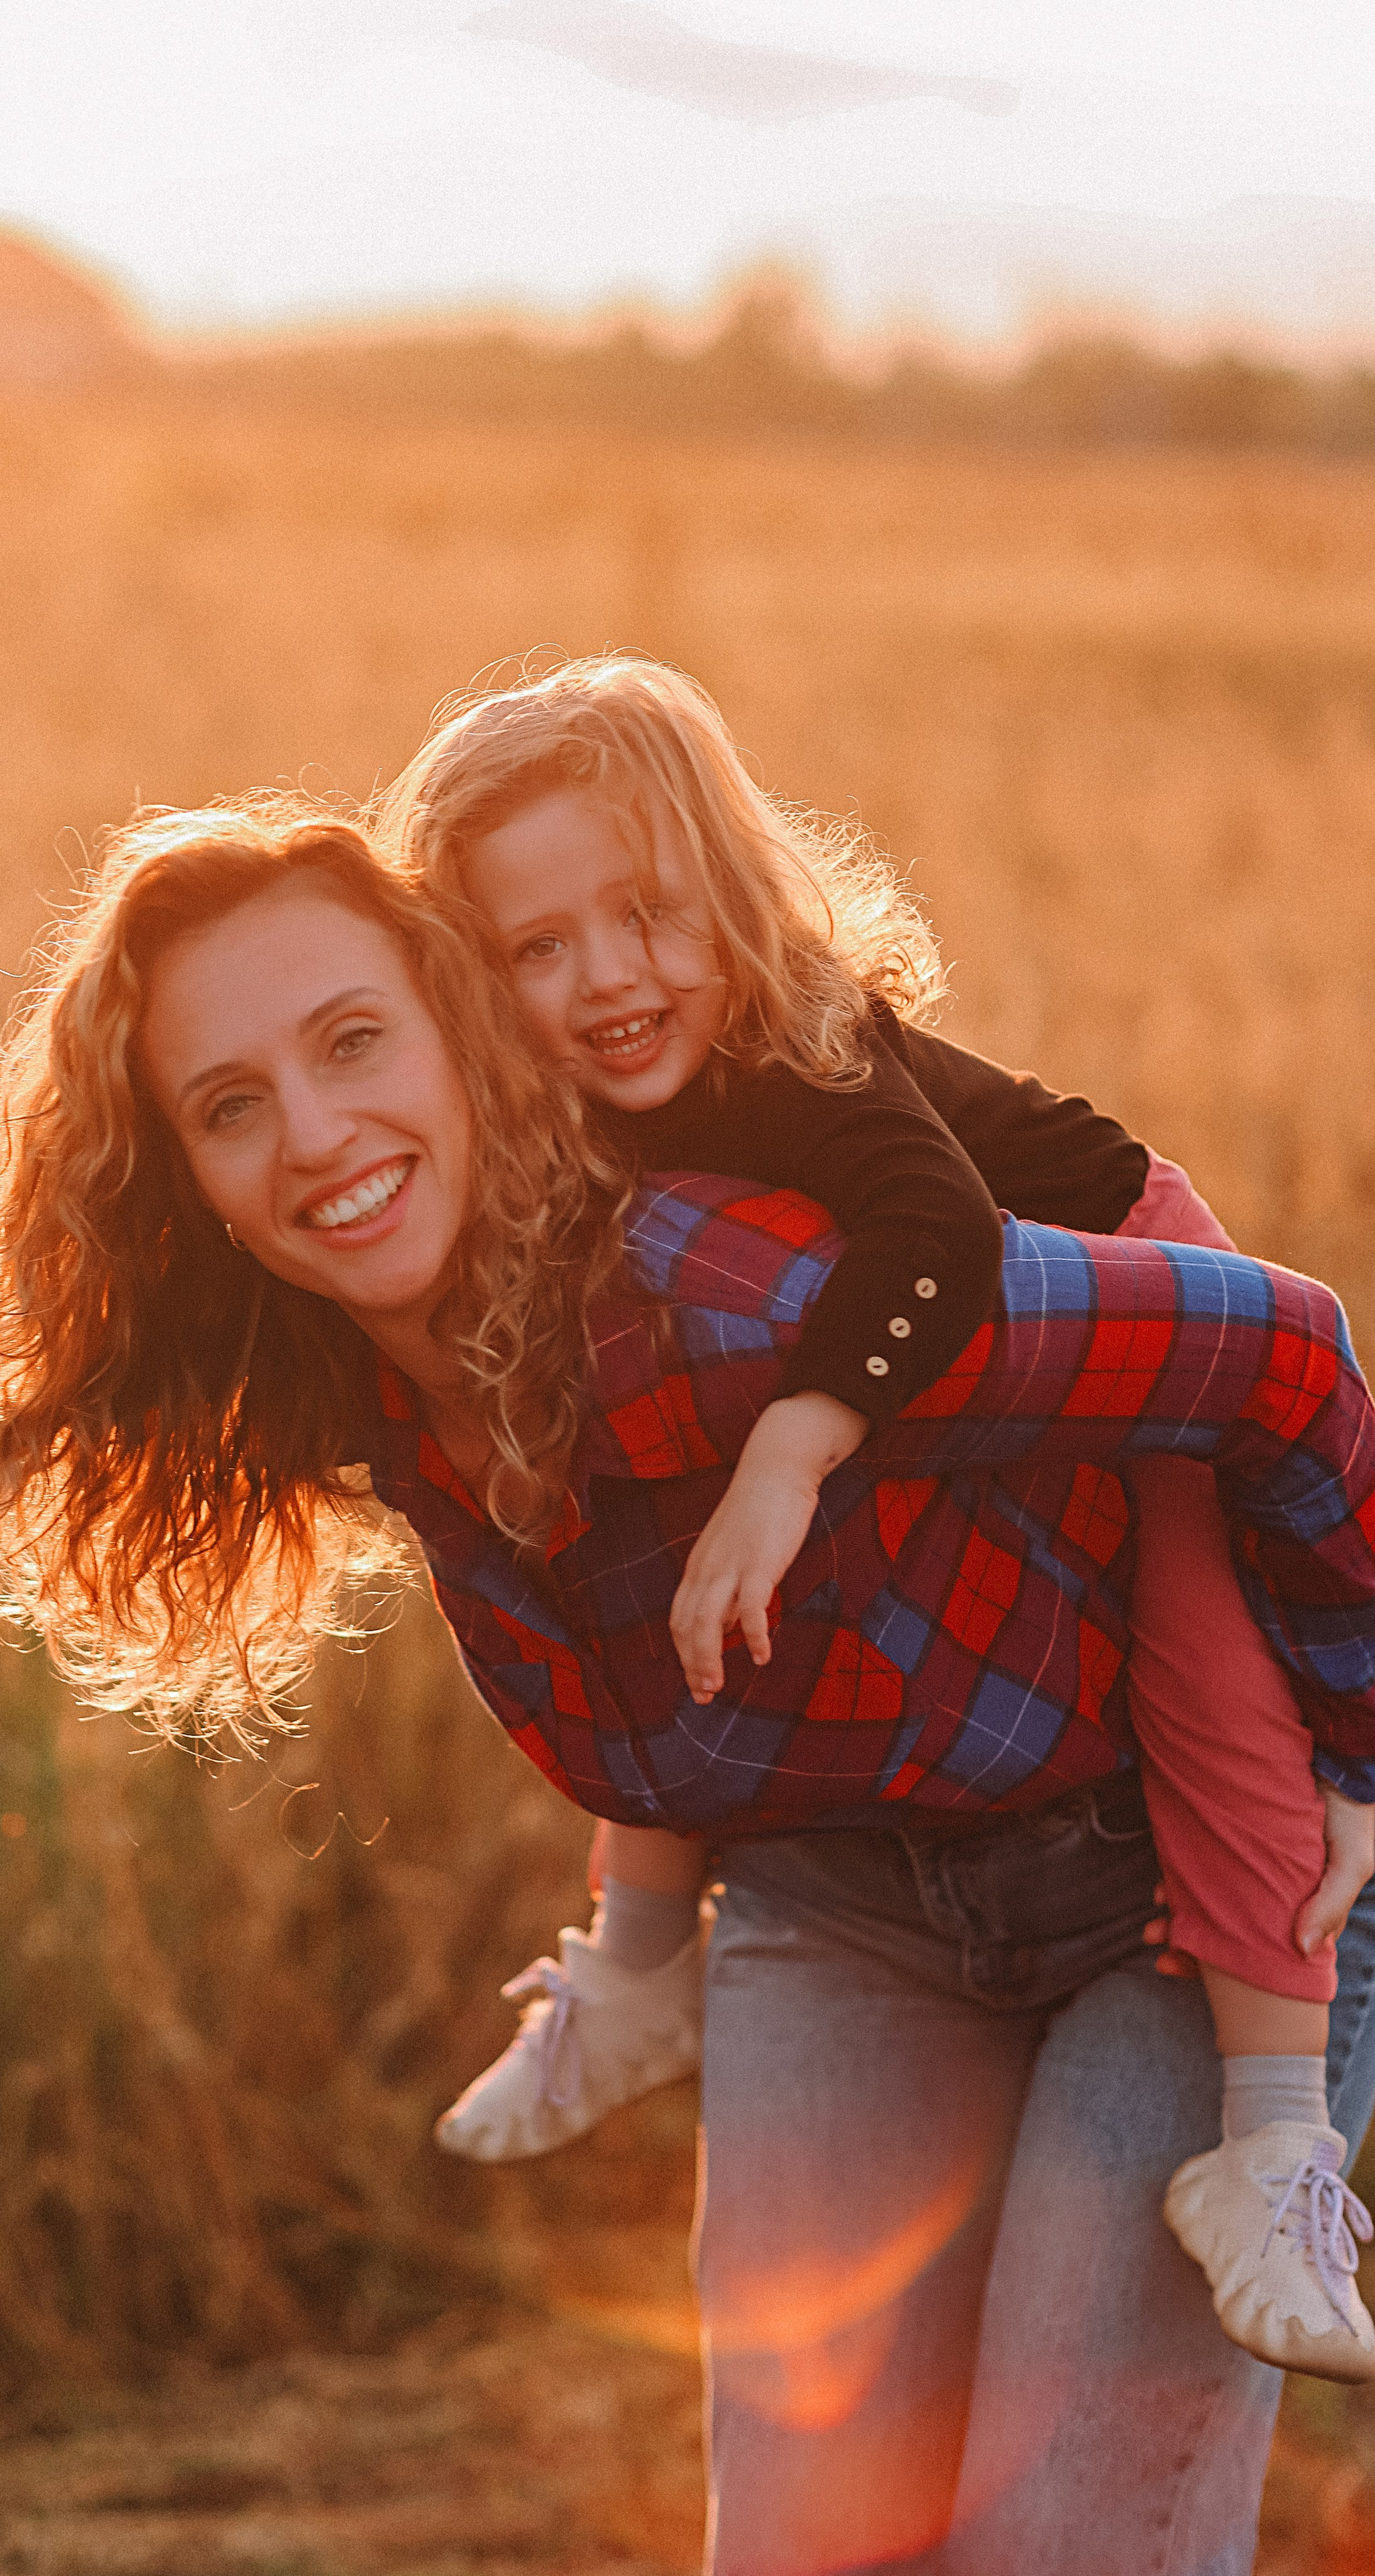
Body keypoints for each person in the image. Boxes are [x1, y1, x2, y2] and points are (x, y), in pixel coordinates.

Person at [0, 804, 1375, 2566]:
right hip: (839, 1899)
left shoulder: (743, 1302)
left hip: (1180, 1897)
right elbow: (181, 1372)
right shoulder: (353, 1361)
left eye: (352, 1043)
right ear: (185, 1177)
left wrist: (1355, 1739)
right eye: (229, 1105)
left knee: (1055, 2544)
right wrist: (28, 1418)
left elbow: (1279, 1349)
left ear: (465, 1032)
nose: (315, 1136)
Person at [377, 654, 1374, 2350]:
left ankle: (1268, 2145)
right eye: (535, 950)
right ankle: (628, 1966)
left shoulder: (799, 1047)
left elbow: (941, 1247)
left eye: (645, 913)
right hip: (917, 1358)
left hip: (1130, 1298)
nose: (605, 978)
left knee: (1208, 1684)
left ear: (732, 892)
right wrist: (33, 1422)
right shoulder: (564, 1114)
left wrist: (789, 1450)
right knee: (653, 1555)